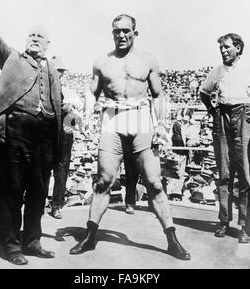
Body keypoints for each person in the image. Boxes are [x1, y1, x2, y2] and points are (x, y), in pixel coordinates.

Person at [0, 0, 77, 265]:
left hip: (45, 134)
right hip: (17, 130)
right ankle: (12, 245)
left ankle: (33, 240)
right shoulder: (12, 58)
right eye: (31, 34)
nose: (35, 38)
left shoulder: (51, 68)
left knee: (39, 189)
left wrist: (69, 115)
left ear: (48, 44)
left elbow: (58, 103)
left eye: (40, 36)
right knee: (13, 190)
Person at [70, 14, 190, 260]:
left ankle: (172, 239)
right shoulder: (102, 61)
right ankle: (90, 235)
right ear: (112, 32)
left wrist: (162, 125)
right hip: (112, 117)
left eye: (126, 31)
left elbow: (158, 95)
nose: (121, 35)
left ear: (135, 32)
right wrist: (86, 112)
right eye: (116, 31)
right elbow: (92, 92)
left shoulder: (148, 60)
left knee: (154, 182)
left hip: (140, 117)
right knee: (103, 181)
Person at [199, 33, 250, 243]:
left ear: (238, 48)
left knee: (246, 174)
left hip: (245, 116)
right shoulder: (216, 71)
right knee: (224, 172)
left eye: (227, 47)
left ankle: (245, 226)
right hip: (222, 116)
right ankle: (223, 221)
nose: (223, 50)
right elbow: (203, 91)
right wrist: (211, 109)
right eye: (221, 48)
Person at [50, 57, 82, 219]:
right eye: (57, 72)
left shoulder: (69, 91)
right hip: (47, 132)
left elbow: (78, 115)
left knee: (61, 170)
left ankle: (56, 205)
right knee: (41, 170)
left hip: (64, 133)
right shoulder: (44, 89)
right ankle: (37, 203)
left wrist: (71, 108)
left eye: (61, 72)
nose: (60, 75)